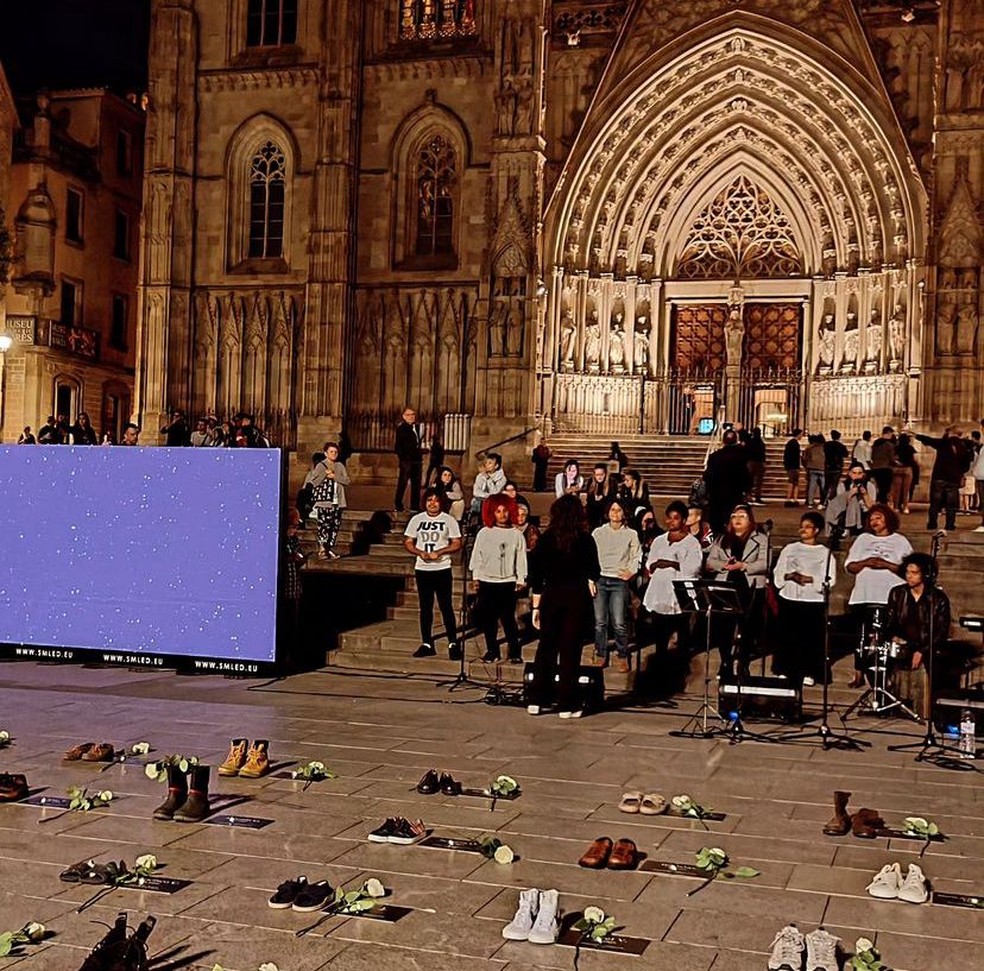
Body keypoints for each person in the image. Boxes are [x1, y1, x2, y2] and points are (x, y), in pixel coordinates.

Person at [527, 494, 600, 717]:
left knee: (546, 648)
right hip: (576, 597)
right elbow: (594, 570)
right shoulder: (585, 539)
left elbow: (536, 575)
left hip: (551, 596)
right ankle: (567, 703)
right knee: (570, 650)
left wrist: (536, 607)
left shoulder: (547, 538)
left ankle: (537, 700)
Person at [844, 503, 912, 687]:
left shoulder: (900, 541)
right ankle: (859, 673)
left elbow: (909, 570)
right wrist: (867, 562)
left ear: (888, 519)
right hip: (863, 596)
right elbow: (850, 566)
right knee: (861, 636)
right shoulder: (863, 539)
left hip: (888, 597)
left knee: (887, 637)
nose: (874, 521)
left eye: (878, 518)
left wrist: (886, 564)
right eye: (871, 518)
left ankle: (887, 676)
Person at [883, 552, 951, 719]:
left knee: (935, 664)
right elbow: (889, 623)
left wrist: (922, 650)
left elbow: (940, 631)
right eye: (907, 572)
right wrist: (893, 637)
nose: (909, 576)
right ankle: (890, 704)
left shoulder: (938, 598)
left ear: (925, 575)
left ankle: (927, 709)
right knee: (874, 659)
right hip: (904, 644)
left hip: (927, 646)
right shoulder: (897, 593)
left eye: (914, 573)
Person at [705, 504, 770, 676]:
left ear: (750, 520)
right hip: (726, 586)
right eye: (734, 516)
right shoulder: (722, 539)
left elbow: (766, 563)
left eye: (742, 516)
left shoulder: (761, 539)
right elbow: (710, 562)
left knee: (748, 627)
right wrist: (724, 565)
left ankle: (744, 662)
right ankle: (726, 661)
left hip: (750, 587)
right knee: (723, 627)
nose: (737, 520)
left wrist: (744, 566)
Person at [772, 511, 835, 686]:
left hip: (812, 600)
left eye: (807, 527)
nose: (803, 530)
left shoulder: (824, 552)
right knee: (788, 636)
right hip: (790, 597)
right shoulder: (790, 549)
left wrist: (808, 579)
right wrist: (789, 576)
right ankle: (785, 669)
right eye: (802, 526)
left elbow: (829, 578)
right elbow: (779, 571)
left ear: (816, 530)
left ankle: (809, 671)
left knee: (809, 638)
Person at [404, 488, 463, 660]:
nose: (432, 503)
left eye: (436, 500)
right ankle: (427, 643)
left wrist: (442, 551)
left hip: (442, 568)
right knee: (425, 607)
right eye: (429, 500)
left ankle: (453, 642)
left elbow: (457, 543)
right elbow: (408, 541)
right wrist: (418, 552)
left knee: (446, 606)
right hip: (423, 568)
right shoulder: (417, 519)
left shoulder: (448, 520)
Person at [469, 494, 527, 663]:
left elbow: (521, 558)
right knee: (489, 619)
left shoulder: (516, 535)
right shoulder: (484, 533)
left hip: (507, 582)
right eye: (498, 511)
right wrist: (476, 577)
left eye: (505, 511)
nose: (502, 514)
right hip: (488, 581)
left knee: (508, 619)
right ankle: (492, 650)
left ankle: (514, 651)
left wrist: (520, 578)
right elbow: (477, 556)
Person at [642, 500, 703, 656]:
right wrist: (657, 565)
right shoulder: (659, 540)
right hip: (659, 593)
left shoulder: (692, 543)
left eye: (675, 518)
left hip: (679, 597)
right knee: (660, 639)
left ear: (683, 520)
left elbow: (692, 568)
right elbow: (651, 563)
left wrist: (670, 563)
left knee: (682, 638)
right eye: (668, 517)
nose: (671, 521)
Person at [591, 501, 641, 672]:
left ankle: (622, 654)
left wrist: (631, 572)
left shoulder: (631, 534)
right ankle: (600, 652)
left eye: (619, 510)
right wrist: (590, 579)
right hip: (600, 579)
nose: (615, 513)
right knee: (600, 621)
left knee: (619, 621)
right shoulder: (598, 532)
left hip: (619, 580)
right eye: (612, 509)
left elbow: (637, 556)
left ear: (624, 513)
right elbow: (590, 556)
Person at [916, 425, 971, 532]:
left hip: (939, 477)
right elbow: (966, 465)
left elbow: (929, 440)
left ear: (951, 432)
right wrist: (959, 472)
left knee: (935, 503)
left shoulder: (943, 443)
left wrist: (916, 436)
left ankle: (932, 523)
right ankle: (950, 525)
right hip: (953, 479)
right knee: (951, 505)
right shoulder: (963, 446)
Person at [703, 430, 751, 533]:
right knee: (733, 522)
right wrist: (747, 491)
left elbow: (708, 476)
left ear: (723, 441)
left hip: (717, 496)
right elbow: (745, 476)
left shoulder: (714, 456)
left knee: (717, 524)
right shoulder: (741, 457)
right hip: (734, 495)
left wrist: (709, 491)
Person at [310, 442, 350, 559]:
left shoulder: (340, 466)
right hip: (324, 501)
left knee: (334, 525)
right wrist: (325, 474)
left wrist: (335, 476)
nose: (334, 454)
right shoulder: (321, 466)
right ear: (326, 453)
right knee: (323, 525)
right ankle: (322, 549)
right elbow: (314, 481)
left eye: (335, 452)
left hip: (337, 501)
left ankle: (329, 548)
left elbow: (347, 481)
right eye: (331, 452)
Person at [824, 462, 876, 536]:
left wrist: (865, 494)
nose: (857, 476)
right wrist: (850, 494)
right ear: (849, 473)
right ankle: (848, 527)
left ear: (863, 474)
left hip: (864, 513)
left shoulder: (869, 485)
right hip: (846, 513)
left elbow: (871, 506)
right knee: (852, 500)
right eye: (854, 473)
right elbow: (840, 503)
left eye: (859, 473)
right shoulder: (843, 485)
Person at [394, 407, 422, 513]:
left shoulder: (417, 427)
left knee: (416, 484)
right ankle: (398, 504)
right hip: (407, 460)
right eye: (409, 415)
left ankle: (414, 506)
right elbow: (398, 446)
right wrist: (403, 458)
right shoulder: (401, 429)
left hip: (416, 460)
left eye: (413, 414)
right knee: (403, 483)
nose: (411, 417)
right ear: (404, 416)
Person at [471, 453, 507, 519]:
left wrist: (488, 478)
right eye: (486, 462)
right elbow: (476, 492)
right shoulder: (480, 476)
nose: (486, 465)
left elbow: (494, 493)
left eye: (490, 463)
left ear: (496, 466)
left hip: (495, 502)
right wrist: (487, 496)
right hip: (481, 501)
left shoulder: (502, 478)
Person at [869, 426, 898, 504]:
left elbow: (871, 455)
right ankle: (883, 504)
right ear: (888, 433)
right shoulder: (889, 444)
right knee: (885, 489)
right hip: (886, 468)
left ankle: (880, 502)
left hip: (876, 468)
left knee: (880, 487)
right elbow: (892, 458)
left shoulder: (876, 443)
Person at [585, 463, 616, 529]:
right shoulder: (591, 482)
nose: (599, 477)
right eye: (597, 475)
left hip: (606, 508)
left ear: (605, 474)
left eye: (601, 474)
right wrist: (596, 500)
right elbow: (589, 500)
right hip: (593, 510)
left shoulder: (611, 483)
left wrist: (602, 498)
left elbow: (612, 499)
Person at [823, 429, 848, 503]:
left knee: (826, 485)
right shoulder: (841, 445)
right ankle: (831, 499)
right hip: (837, 467)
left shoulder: (827, 445)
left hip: (828, 466)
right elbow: (845, 454)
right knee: (834, 484)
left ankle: (823, 500)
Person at [803, 433, 826, 508]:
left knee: (812, 486)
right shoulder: (825, 447)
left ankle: (810, 502)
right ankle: (824, 501)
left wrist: (806, 466)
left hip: (812, 467)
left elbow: (804, 458)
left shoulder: (810, 448)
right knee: (823, 486)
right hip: (822, 468)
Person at [783, 428, 803, 507]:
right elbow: (795, 456)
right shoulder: (795, 444)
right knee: (794, 483)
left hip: (790, 465)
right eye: (801, 434)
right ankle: (794, 498)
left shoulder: (790, 443)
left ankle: (790, 498)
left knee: (792, 482)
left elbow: (786, 455)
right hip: (794, 466)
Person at [746, 427, 767, 504]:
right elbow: (763, 453)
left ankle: (749, 495)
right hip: (759, 462)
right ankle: (757, 496)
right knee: (758, 481)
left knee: (749, 480)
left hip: (751, 462)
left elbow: (746, 451)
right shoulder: (761, 442)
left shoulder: (750, 441)